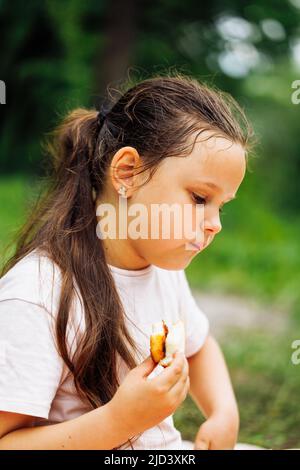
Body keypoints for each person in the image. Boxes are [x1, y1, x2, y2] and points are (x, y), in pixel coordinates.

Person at [0, 73, 255, 450]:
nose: (215, 224)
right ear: (127, 172)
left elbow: (199, 347)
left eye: (221, 206)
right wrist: (119, 421)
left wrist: (223, 411)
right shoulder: (38, 293)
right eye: (200, 198)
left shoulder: (162, 269)